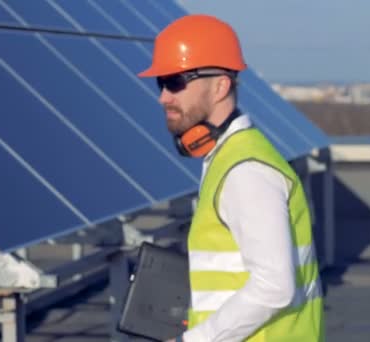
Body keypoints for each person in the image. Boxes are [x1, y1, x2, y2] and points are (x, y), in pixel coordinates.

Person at [137, 14, 325, 341]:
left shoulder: (246, 171)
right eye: (161, 83)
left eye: (175, 82)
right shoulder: (229, 157)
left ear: (221, 85)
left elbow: (274, 288)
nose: (163, 96)